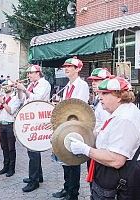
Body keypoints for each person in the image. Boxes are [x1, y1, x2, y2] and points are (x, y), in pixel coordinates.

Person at [70, 77, 140, 200]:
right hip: (123, 173)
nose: (99, 97)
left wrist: (85, 149)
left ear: (120, 96)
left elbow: (116, 160)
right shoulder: (119, 112)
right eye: (99, 93)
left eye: (104, 93)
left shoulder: (124, 118)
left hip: (129, 175)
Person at [52, 57, 89, 200]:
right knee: (64, 159)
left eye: (70, 66)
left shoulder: (82, 85)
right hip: (65, 126)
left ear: (78, 69)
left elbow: (78, 108)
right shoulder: (67, 86)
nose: (66, 69)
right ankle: (66, 187)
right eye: (65, 66)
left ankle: (73, 193)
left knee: (73, 161)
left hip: (74, 127)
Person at [16, 64, 51, 192]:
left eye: (31, 73)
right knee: (32, 150)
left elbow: (37, 98)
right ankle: (38, 176)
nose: (29, 76)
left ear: (38, 73)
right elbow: (22, 100)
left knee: (33, 151)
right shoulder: (32, 85)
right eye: (28, 73)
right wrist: (20, 90)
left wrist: (24, 89)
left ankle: (34, 181)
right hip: (31, 118)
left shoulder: (44, 84)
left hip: (38, 119)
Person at [0, 80, 21, 177]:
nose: (5, 87)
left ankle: (11, 169)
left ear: (12, 87)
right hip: (1, 124)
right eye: (4, 86)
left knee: (11, 148)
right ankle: (5, 166)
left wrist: (3, 102)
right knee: (4, 147)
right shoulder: (2, 97)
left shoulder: (15, 98)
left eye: (7, 86)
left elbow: (11, 111)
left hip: (10, 125)